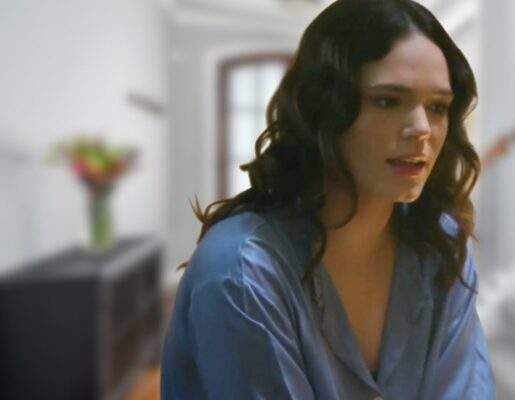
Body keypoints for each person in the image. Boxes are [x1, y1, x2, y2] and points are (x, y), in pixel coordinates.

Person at [160, 0, 496, 398]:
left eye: (438, 107)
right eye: (388, 100)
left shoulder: (441, 247)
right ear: (324, 108)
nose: (422, 128)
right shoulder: (242, 271)